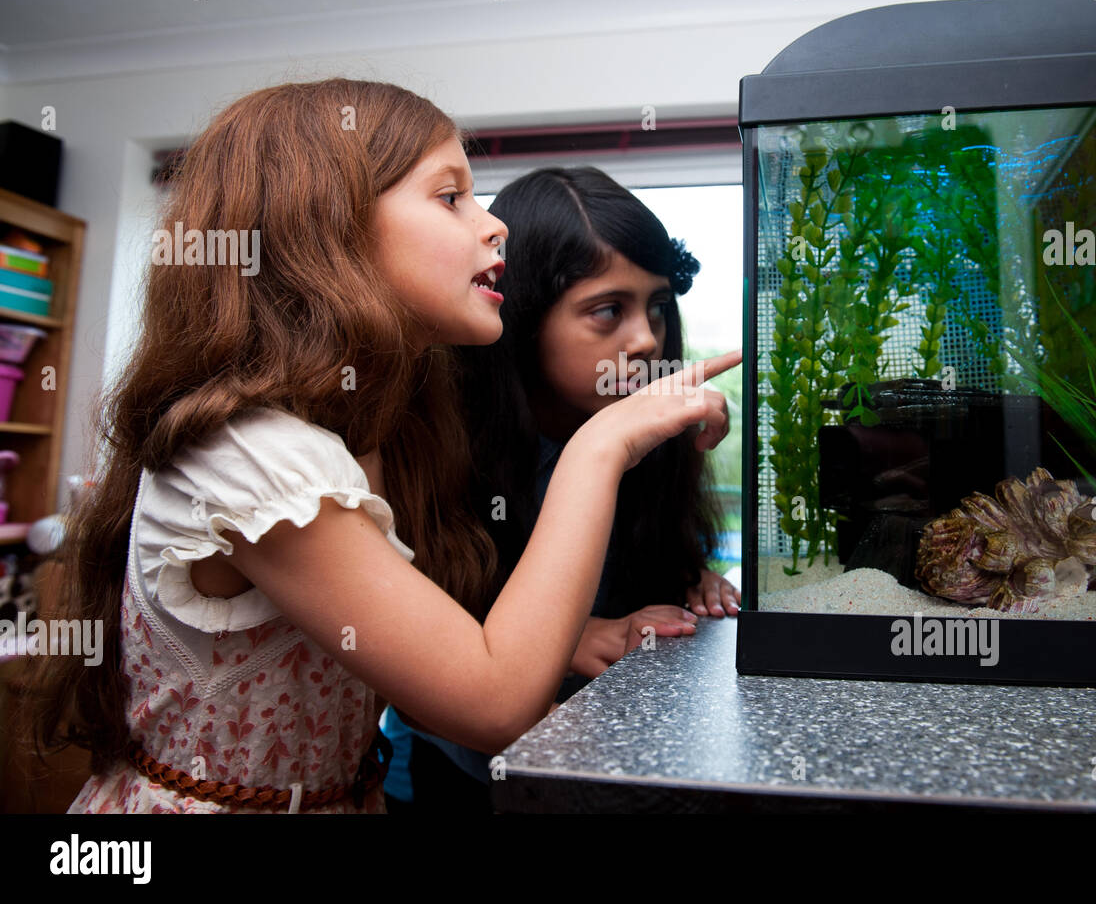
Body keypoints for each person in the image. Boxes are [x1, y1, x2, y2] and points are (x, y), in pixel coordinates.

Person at [22, 79, 739, 813]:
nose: (495, 228)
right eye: (451, 197)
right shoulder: (253, 455)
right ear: (328, 229)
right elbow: (494, 701)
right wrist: (604, 444)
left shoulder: (375, 433)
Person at [382, 166, 740, 813]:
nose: (646, 338)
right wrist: (569, 638)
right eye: (608, 310)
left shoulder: (648, 439)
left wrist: (694, 583)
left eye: (658, 305)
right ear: (522, 316)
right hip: (454, 777)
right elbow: (412, 656)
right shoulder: (435, 446)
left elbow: (645, 578)